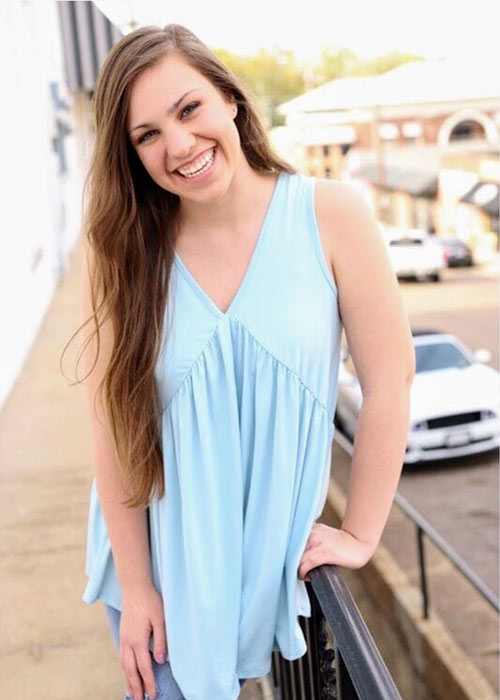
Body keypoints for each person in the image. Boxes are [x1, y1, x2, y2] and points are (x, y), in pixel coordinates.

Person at [74, 23, 415, 700]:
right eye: (146, 135)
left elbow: (390, 381)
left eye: (188, 109)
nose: (178, 146)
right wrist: (139, 589)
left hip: (266, 566)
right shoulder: (128, 251)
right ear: (131, 153)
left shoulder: (331, 215)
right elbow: (112, 427)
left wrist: (360, 532)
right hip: (162, 577)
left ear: (230, 99)